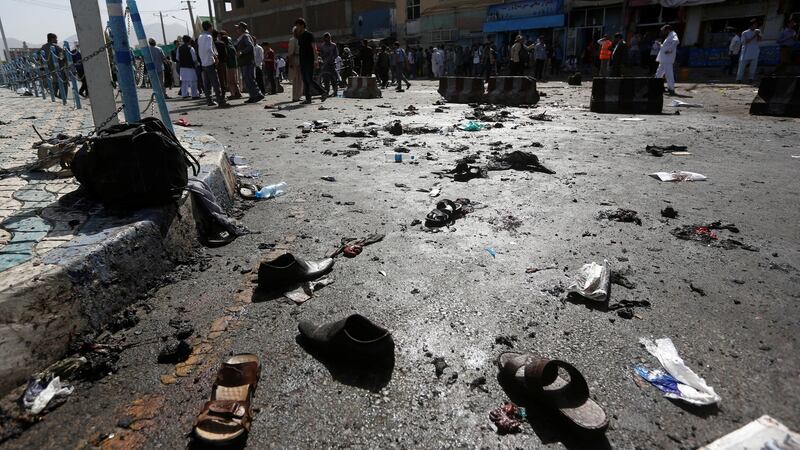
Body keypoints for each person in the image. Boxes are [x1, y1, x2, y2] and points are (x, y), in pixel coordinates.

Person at [294, 18, 327, 104]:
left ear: (302, 25)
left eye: (297, 25)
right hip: (302, 60)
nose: (296, 27)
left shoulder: (309, 35)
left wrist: (316, 60)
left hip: (309, 60)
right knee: (305, 80)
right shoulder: (300, 36)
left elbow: (314, 48)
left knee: (309, 79)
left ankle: (323, 92)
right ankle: (308, 99)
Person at [197, 21, 228, 107]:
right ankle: (220, 101)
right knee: (215, 82)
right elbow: (209, 48)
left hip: (203, 62)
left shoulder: (200, 36)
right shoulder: (208, 36)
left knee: (207, 83)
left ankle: (209, 100)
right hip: (210, 62)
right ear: (210, 27)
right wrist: (215, 57)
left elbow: (200, 50)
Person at [234, 22, 263, 103]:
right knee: (247, 79)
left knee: (250, 79)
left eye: (238, 28)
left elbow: (250, 46)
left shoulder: (245, 36)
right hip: (245, 62)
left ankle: (257, 94)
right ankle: (253, 96)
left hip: (248, 62)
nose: (237, 30)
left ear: (242, 29)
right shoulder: (242, 37)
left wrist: (242, 52)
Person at [41, 33, 68, 99]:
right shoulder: (55, 46)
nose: (57, 40)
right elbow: (66, 54)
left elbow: (38, 56)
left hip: (49, 69)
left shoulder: (43, 47)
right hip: (59, 68)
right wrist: (64, 61)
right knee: (63, 82)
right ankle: (62, 98)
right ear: (52, 39)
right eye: (56, 38)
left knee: (55, 82)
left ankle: (54, 96)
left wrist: (43, 65)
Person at [655, 24, 679, 96]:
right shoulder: (669, 36)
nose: (663, 32)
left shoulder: (673, 34)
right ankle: (655, 86)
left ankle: (671, 89)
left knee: (669, 74)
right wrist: (660, 45)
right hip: (663, 59)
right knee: (658, 73)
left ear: (667, 30)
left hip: (667, 59)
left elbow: (676, 41)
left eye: (663, 31)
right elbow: (666, 46)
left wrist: (669, 50)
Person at [737, 19, 762, 84]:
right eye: (754, 24)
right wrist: (754, 35)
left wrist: (758, 35)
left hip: (755, 51)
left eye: (756, 25)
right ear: (751, 25)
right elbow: (744, 42)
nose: (755, 26)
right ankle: (739, 79)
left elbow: (760, 40)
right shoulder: (745, 33)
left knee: (753, 66)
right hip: (746, 52)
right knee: (742, 66)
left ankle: (751, 78)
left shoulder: (758, 31)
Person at [221, 31, 242, 99]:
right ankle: (238, 93)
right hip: (235, 65)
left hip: (230, 66)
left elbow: (226, 57)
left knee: (231, 81)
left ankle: (233, 94)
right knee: (235, 81)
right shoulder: (232, 47)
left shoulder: (226, 47)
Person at [288, 26, 304, 102]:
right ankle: (295, 97)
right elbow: (290, 53)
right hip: (295, 61)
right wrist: (291, 63)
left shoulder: (300, 40)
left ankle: (299, 95)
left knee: (301, 79)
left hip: (301, 60)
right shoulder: (292, 40)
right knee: (296, 79)